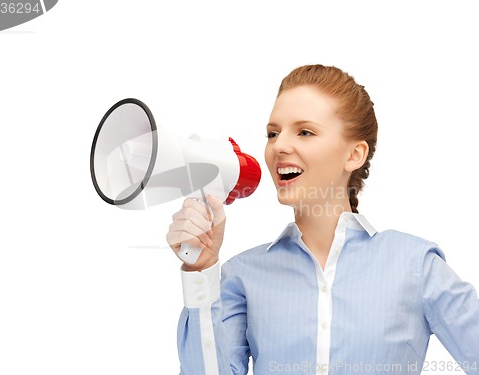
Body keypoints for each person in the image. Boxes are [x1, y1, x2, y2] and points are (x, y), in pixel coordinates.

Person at [166, 64, 479, 375]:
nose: (280, 146)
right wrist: (200, 269)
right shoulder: (242, 275)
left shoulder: (415, 265)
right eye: (272, 134)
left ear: (354, 155)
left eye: (305, 132)